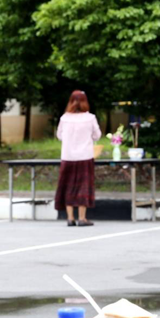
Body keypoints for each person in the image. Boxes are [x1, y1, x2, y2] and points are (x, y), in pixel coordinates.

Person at [55, 90, 101, 227]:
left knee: (68, 186)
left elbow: (59, 136)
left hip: (68, 156)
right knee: (83, 186)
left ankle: (70, 218)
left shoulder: (64, 118)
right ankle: (82, 218)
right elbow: (97, 135)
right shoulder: (90, 118)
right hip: (85, 157)